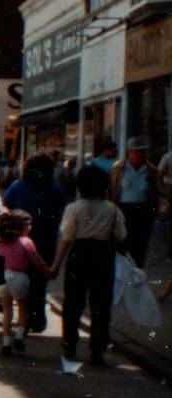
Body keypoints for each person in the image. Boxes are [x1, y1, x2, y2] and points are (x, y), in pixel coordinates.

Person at [50, 163, 127, 366]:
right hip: (103, 255)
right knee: (101, 304)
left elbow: (66, 238)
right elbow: (121, 235)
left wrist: (56, 265)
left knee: (73, 302)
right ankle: (97, 348)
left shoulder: (74, 208)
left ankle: (69, 343)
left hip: (80, 253)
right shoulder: (112, 209)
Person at [0, 209, 52, 357]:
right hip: (19, 277)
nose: (30, 228)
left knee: (7, 311)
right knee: (23, 308)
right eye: (28, 225)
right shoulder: (26, 242)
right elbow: (36, 260)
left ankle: (6, 343)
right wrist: (48, 272)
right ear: (22, 227)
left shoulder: (0, 241)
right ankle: (19, 337)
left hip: (2, 277)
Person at [111, 135, 155, 268]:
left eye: (141, 151)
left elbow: (156, 191)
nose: (139, 154)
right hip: (125, 210)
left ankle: (137, 274)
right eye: (135, 151)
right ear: (129, 152)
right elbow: (112, 189)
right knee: (123, 244)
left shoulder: (150, 169)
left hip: (143, 210)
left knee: (140, 246)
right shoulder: (119, 169)